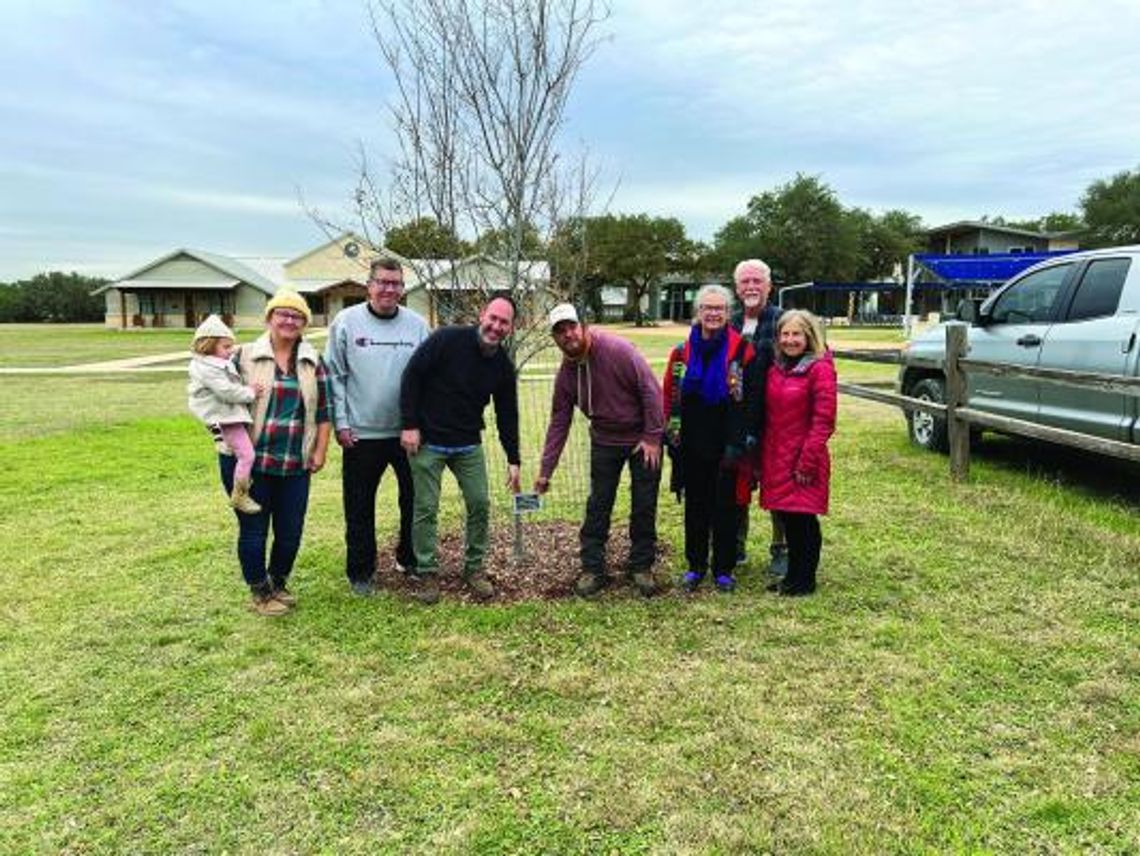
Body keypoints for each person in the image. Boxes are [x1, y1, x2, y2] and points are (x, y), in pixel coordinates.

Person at [534, 304, 664, 597]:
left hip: (642, 438)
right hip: (605, 441)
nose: (568, 334)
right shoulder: (566, 375)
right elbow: (559, 422)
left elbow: (650, 390)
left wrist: (653, 437)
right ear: (554, 339)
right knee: (598, 505)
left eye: (571, 326)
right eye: (559, 331)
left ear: (584, 325)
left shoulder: (617, 350)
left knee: (644, 503)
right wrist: (545, 471)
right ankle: (593, 568)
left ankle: (641, 566)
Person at [399, 292, 521, 604]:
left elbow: (507, 413)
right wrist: (410, 424)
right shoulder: (446, 340)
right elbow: (412, 375)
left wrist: (514, 458)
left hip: (467, 443)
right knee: (425, 507)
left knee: (480, 503)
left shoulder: (503, 367)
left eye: (503, 322)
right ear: (482, 315)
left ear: (511, 327)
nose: (495, 326)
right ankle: (427, 572)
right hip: (428, 441)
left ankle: (474, 568)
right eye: (492, 318)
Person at [216, 290, 332, 617]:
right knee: (253, 529)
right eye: (283, 314)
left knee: (290, 530)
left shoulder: (312, 361)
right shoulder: (242, 356)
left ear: (304, 324)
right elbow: (213, 400)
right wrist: (221, 437)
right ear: (269, 318)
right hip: (248, 463)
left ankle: (278, 583)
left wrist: (320, 450)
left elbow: (324, 411)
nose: (289, 321)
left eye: (297, 317)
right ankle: (260, 593)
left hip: (295, 463)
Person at [324, 258, 429, 597]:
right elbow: (334, 376)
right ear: (368, 285)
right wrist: (341, 422)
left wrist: (420, 424)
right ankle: (361, 572)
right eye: (382, 282)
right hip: (360, 434)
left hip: (407, 433)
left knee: (414, 501)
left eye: (396, 283)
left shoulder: (416, 325)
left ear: (403, 288)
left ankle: (410, 560)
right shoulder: (346, 322)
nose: (389, 288)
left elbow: (428, 377)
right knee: (358, 506)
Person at [663, 284, 766, 593]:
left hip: (728, 442)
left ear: (728, 313)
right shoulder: (682, 352)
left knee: (726, 507)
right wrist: (671, 435)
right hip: (691, 442)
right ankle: (696, 566)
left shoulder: (742, 351)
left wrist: (744, 439)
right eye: (707, 308)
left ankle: (723, 568)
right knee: (695, 506)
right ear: (698, 312)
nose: (713, 313)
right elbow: (669, 396)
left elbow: (753, 399)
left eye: (719, 309)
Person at [760, 309, 837, 596]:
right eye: (785, 334)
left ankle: (804, 580)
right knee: (788, 519)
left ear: (809, 336)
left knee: (803, 521)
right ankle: (792, 576)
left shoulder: (820, 369)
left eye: (797, 334)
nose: (790, 340)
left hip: (804, 459)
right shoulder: (778, 368)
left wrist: (807, 462)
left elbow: (824, 421)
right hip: (777, 457)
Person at [729, 258, 788, 578]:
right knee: (736, 483)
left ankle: (781, 548)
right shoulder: (730, 322)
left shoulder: (783, 322)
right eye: (745, 282)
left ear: (769, 286)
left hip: (775, 421)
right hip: (736, 421)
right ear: (737, 289)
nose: (751, 287)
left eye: (757, 281)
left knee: (777, 486)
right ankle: (736, 544)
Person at [187, 314, 264, 514]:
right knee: (247, 455)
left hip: (225, 417)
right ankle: (239, 494)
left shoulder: (211, 361)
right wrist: (251, 393)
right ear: (209, 345)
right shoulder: (208, 368)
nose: (231, 351)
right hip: (226, 418)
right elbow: (227, 392)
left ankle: (242, 480)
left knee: (242, 453)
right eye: (226, 347)